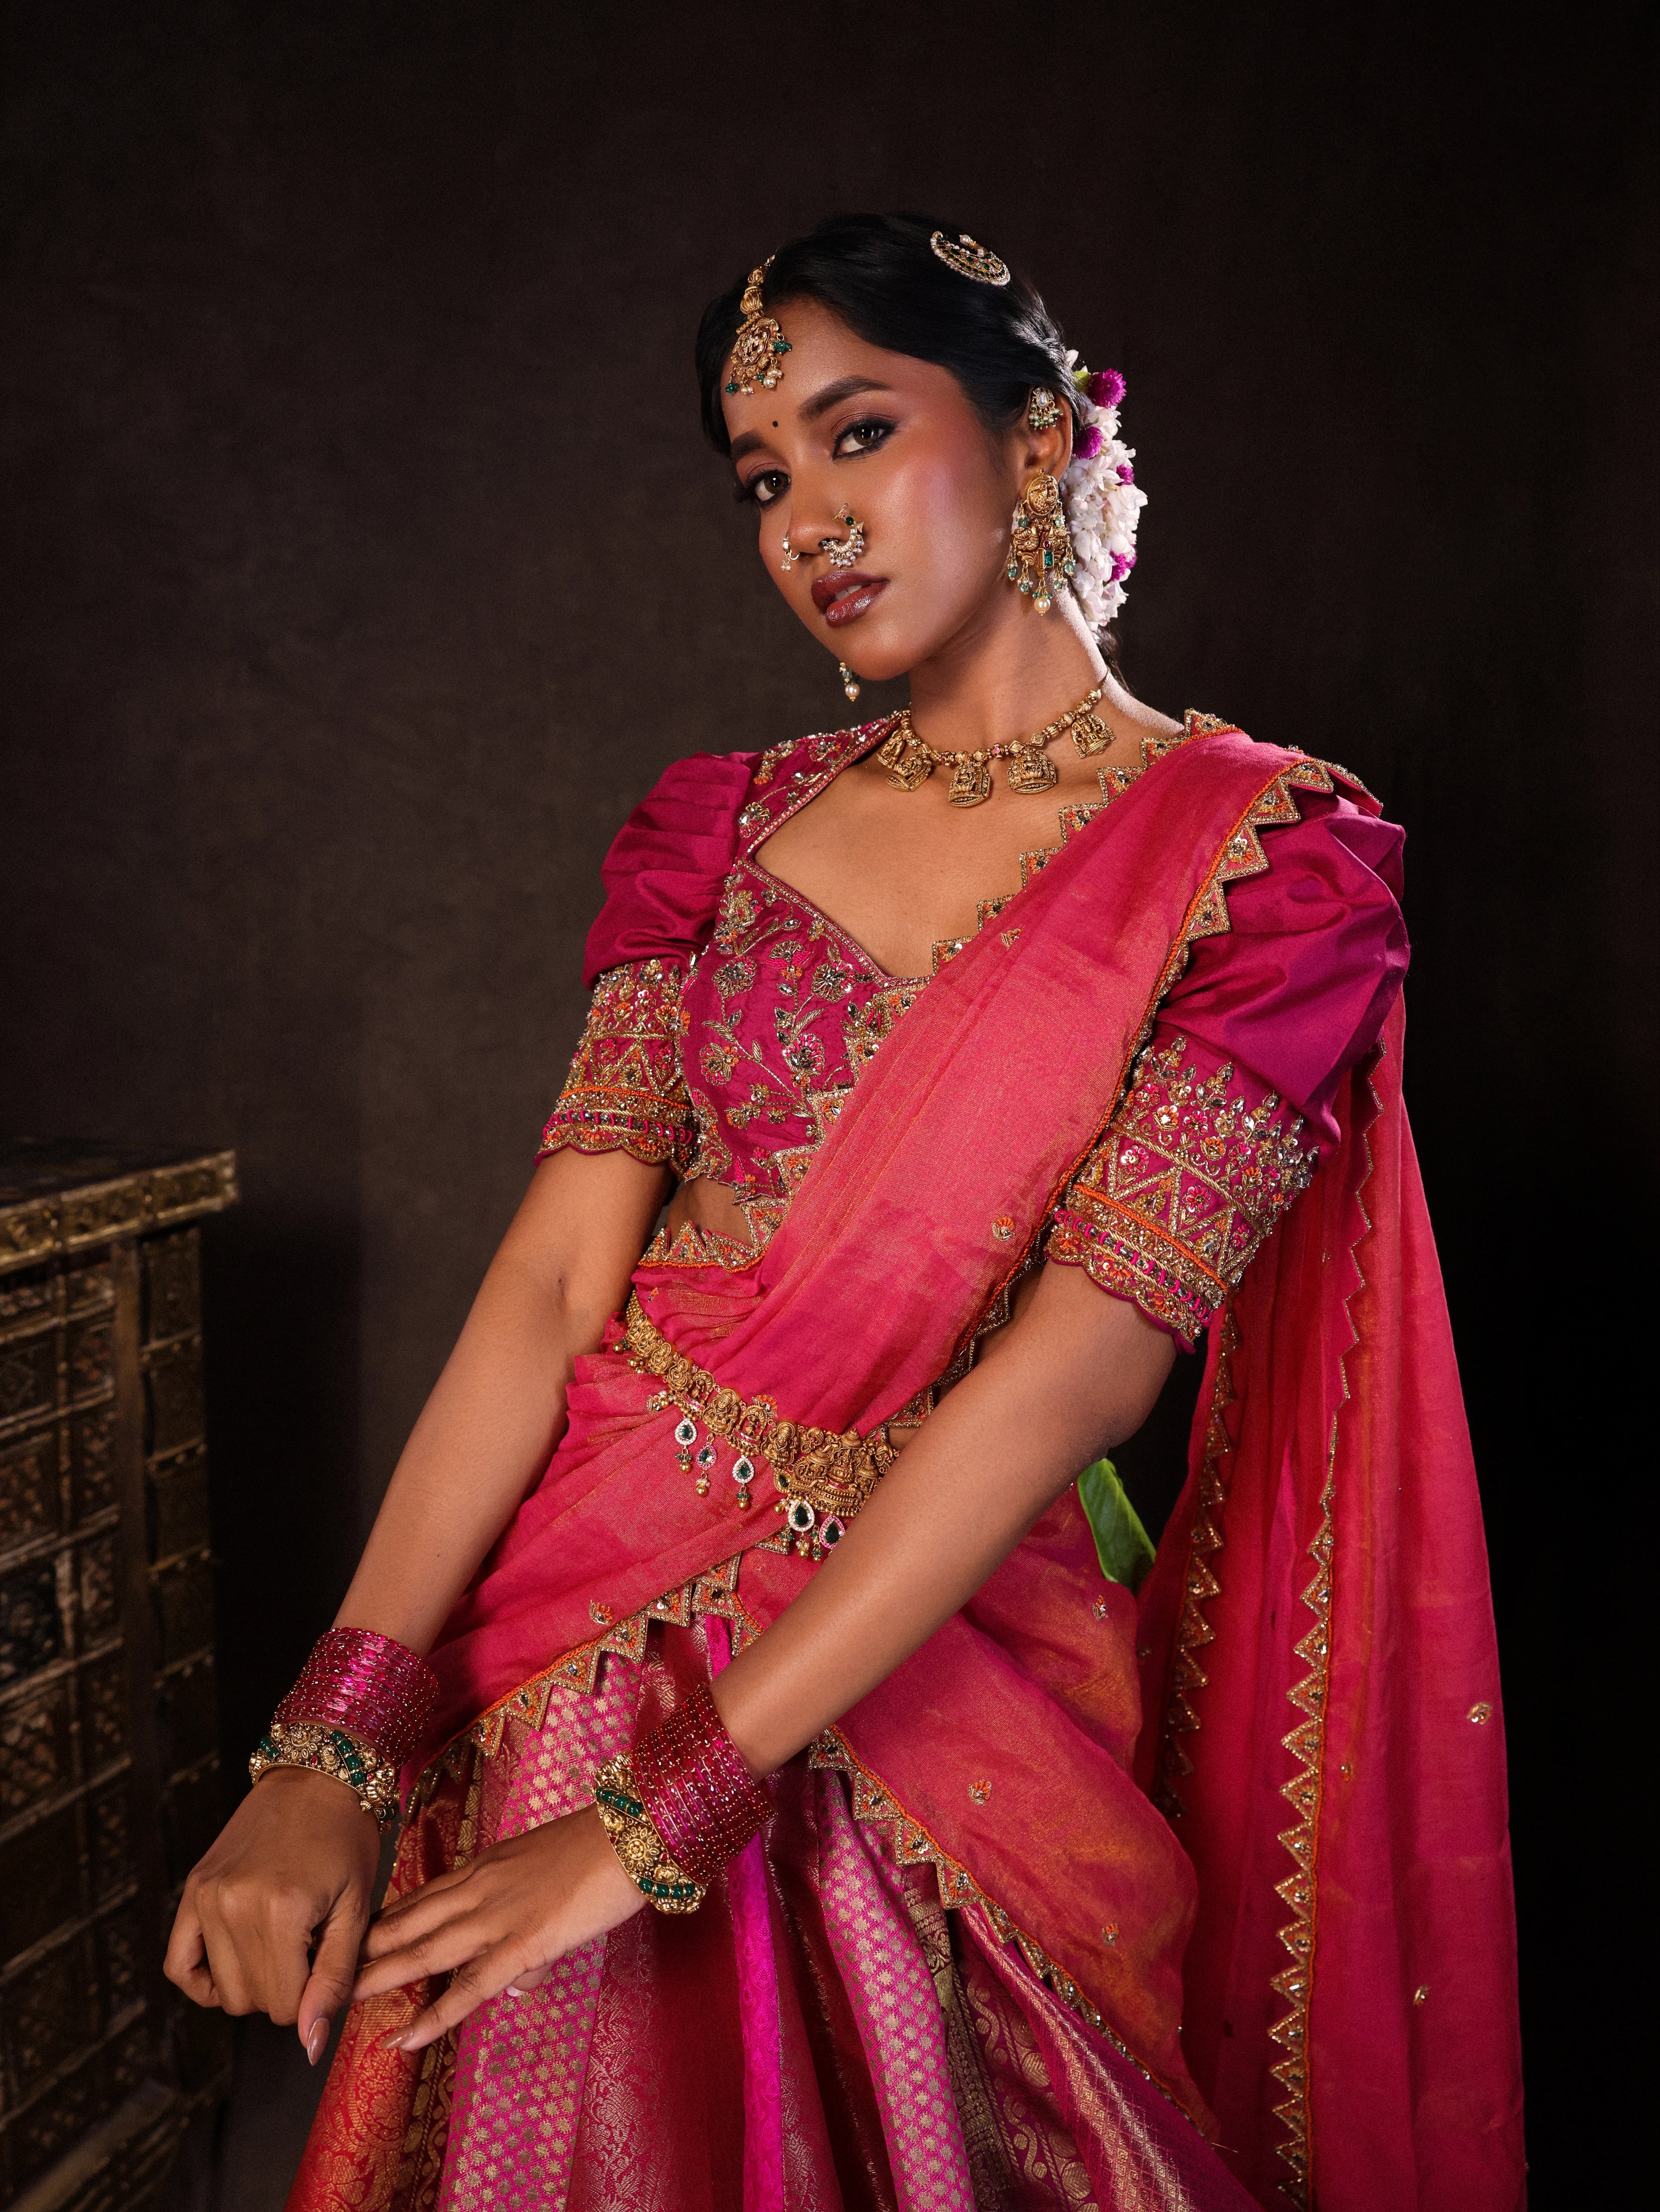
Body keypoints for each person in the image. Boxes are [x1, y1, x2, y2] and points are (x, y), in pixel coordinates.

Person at [165, 213, 1525, 2212]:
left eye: (859, 432)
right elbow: (556, 1285)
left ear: (1043, 437)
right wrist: (334, 1741)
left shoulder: (1263, 873)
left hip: (935, 1681)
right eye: (764, 480)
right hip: (571, 1640)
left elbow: (1077, 1375)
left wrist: (667, 1811)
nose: (810, 517)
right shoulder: (714, 830)